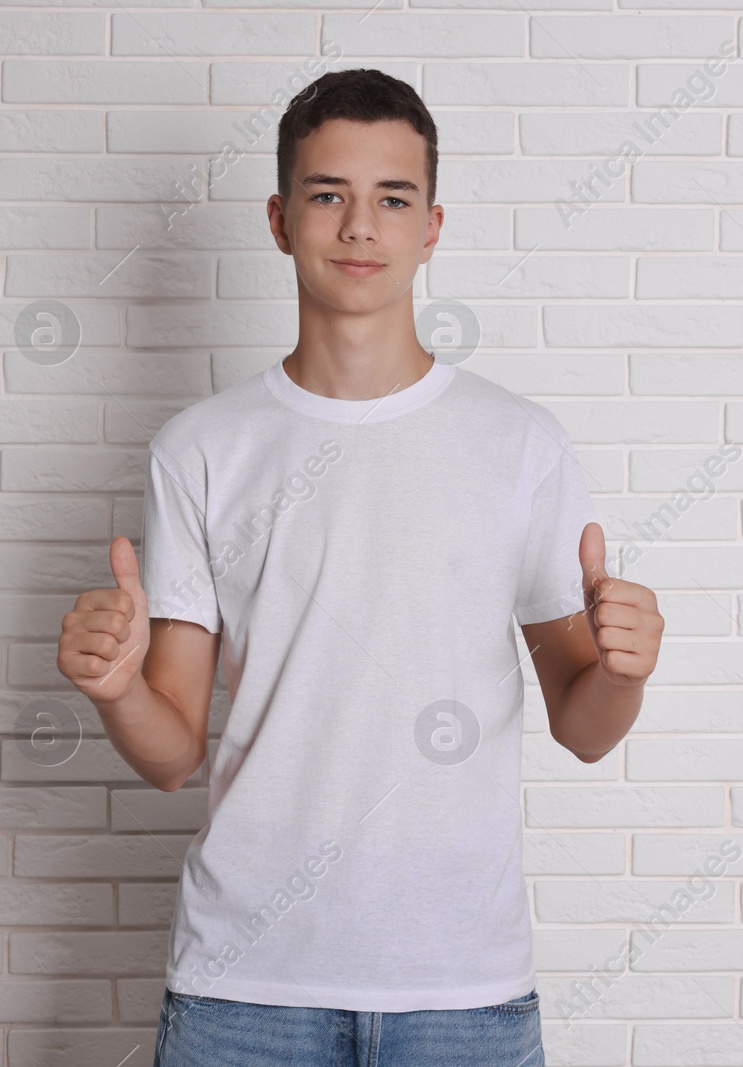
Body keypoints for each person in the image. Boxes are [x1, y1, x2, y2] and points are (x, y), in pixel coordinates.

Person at [55, 67, 664, 1067]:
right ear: (279, 217)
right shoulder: (202, 447)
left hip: (460, 991)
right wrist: (116, 690)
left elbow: (584, 727)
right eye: (328, 194)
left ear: (431, 227)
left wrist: (624, 673)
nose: (359, 227)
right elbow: (171, 754)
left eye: (393, 199)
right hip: (242, 993)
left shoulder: (518, 442)